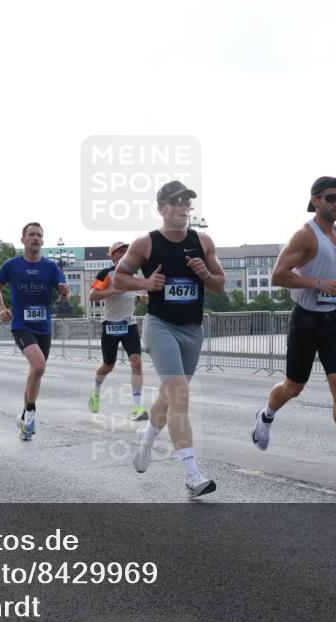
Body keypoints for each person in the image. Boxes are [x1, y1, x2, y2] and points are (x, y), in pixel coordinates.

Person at [251, 177, 336, 483]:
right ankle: (266, 415)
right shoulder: (305, 236)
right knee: (294, 387)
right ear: (315, 200)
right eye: (331, 198)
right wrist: (317, 284)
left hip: (335, 318)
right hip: (305, 319)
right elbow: (278, 276)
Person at [113, 181, 226, 498]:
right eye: (176, 202)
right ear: (161, 208)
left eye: (187, 203)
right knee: (180, 397)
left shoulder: (202, 242)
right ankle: (192, 474)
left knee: (170, 394)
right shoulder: (145, 244)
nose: (183, 207)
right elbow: (119, 277)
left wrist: (204, 273)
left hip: (192, 330)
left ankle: (147, 437)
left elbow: (219, 285)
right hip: (160, 326)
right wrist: (146, 282)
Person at [0, 222, 69, 441]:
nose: (35, 238)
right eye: (31, 235)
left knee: (36, 372)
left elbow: (64, 295)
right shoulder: (12, 265)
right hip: (21, 325)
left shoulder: (51, 267)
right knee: (39, 366)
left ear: (42, 241)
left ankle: (24, 417)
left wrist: (64, 293)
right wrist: (1, 309)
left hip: (44, 326)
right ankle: (32, 413)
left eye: (39, 235)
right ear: (23, 239)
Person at [88, 241, 150, 420]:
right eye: (119, 251)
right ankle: (96, 390)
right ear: (112, 255)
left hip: (128, 323)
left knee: (136, 362)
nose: (123, 253)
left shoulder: (135, 275)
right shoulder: (106, 274)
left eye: (126, 250)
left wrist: (142, 298)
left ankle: (137, 407)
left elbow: (143, 297)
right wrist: (114, 290)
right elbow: (92, 295)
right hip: (110, 323)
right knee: (108, 365)